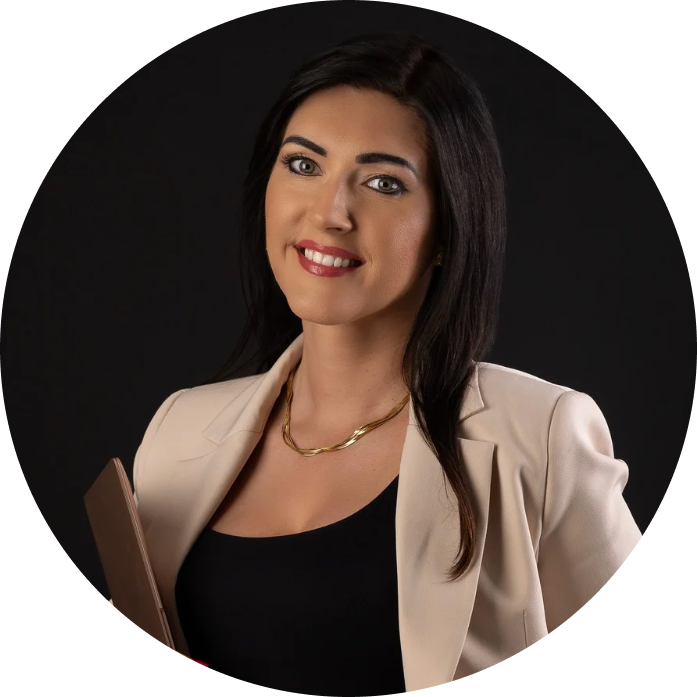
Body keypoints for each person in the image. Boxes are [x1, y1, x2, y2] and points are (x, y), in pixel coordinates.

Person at [109, 33, 642, 692]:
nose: (330, 212)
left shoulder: (539, 434)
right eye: (303, 164)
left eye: (384, 183)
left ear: (448, 227)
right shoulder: (178, 431)